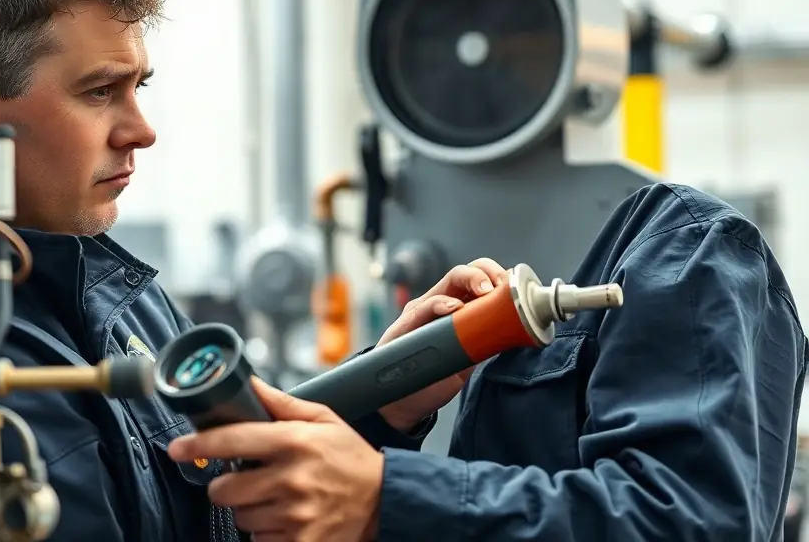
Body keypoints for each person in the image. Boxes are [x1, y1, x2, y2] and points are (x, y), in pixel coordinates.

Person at [0, 0, 490, 542]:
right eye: (99, 91)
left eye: (137, 86)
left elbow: (240, 489)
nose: (141, 130)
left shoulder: (118, 295)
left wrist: (387, 387)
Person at [168, 182, 809, 541]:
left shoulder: (683, 244)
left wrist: (388, 498)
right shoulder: (134, 304)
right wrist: (385, 405)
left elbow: (692, 527)